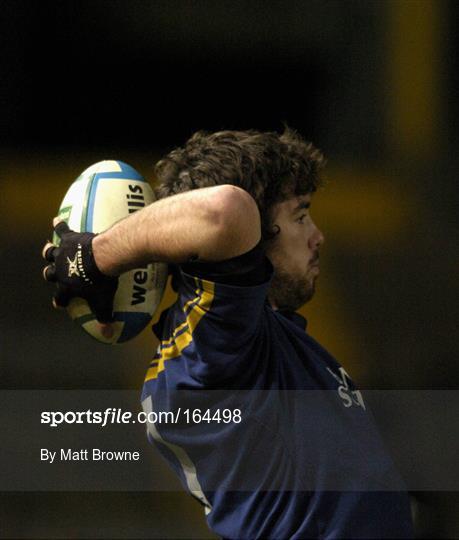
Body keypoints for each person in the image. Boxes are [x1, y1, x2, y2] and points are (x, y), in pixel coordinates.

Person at [42, 128, 414, 539]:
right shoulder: (208, 353)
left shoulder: (267, 339)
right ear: (252, 234)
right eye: (301, 215)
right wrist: (96, 257)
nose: (317, 235)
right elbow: (224, 209)